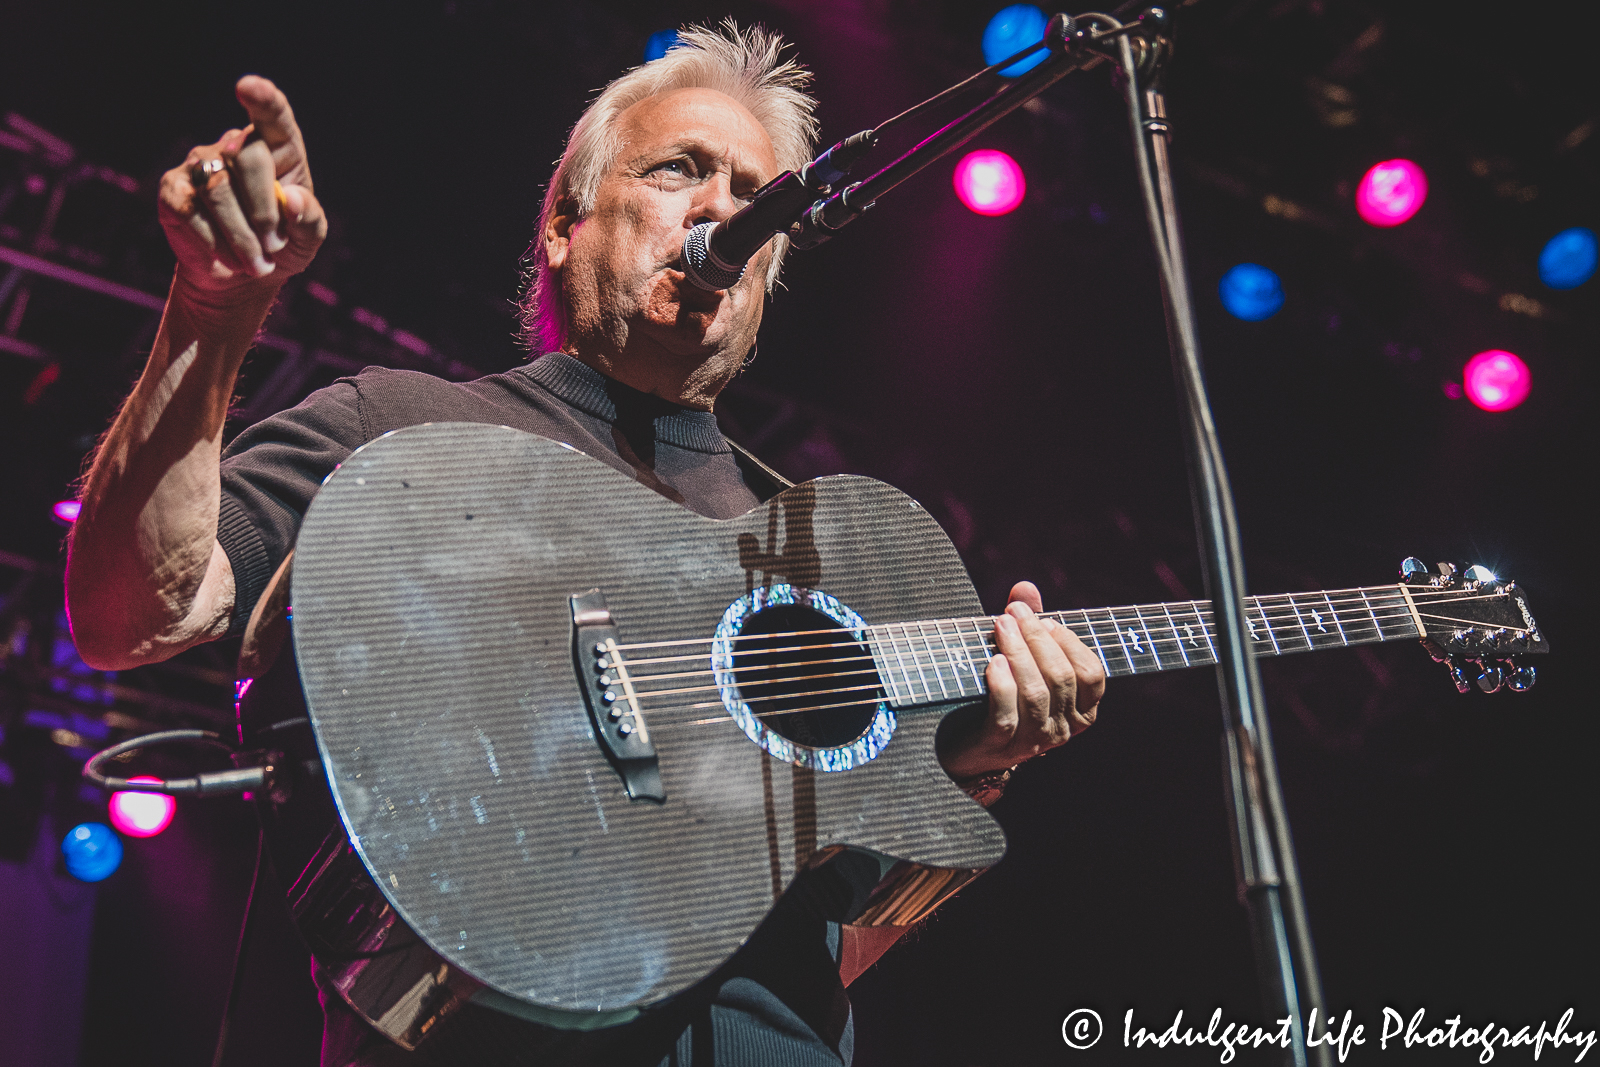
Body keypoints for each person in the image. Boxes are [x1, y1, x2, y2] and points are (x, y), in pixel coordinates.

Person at [65, 22, 1105, 1067]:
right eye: (679, 170)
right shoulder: (397, 427)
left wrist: (971, 769)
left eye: (753, 194)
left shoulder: (825, 564)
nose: (719, 211)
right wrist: (215, 307)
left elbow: (828, 949)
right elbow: (135, 612)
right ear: (564, 224)